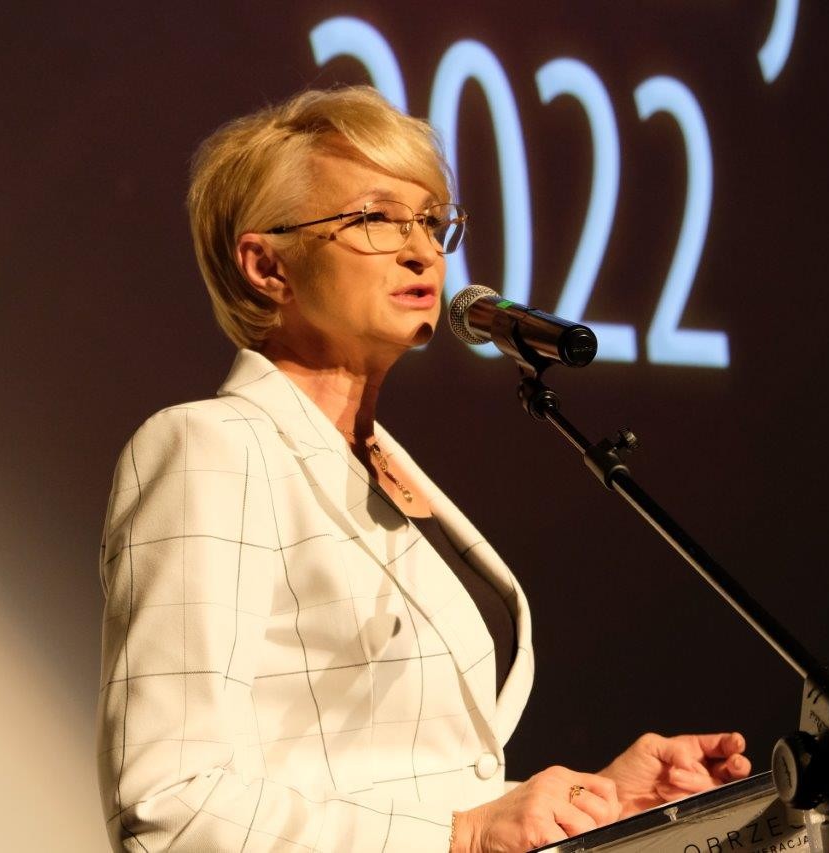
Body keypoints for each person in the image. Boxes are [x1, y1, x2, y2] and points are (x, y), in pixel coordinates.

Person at [97, 86, 750, 852]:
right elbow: (168, 805)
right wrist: (464, 833)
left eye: (431, 221)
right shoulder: (212, 449)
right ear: (267, 266)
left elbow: (395, 776)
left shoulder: (379, 461)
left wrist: (599, 801)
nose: (423, 251)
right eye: (376, 219)